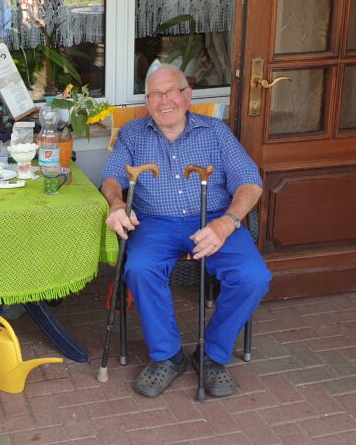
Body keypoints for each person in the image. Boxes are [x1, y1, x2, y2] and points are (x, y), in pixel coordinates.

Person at [100, 64, 270, 398]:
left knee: (254, 276)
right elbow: (111, 178)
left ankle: (212, 355)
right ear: (147, 101)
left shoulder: (216, 131)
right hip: (155, 223)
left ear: (187, 95)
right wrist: (116, 203)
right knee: (140, 268)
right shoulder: (133, 133)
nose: (164, 101)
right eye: (155, 94)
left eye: (171, 92)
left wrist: (227, 222)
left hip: (214, 219)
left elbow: (250, 183)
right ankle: (168, 356)